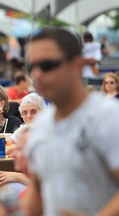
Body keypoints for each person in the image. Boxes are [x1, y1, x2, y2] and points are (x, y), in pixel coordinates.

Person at [23, 27, 119, 216]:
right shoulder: (41, 124)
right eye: (31, 67)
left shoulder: (108, 116)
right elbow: (38, 197)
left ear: (76, 64)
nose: (38, 74)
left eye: (47, 65)